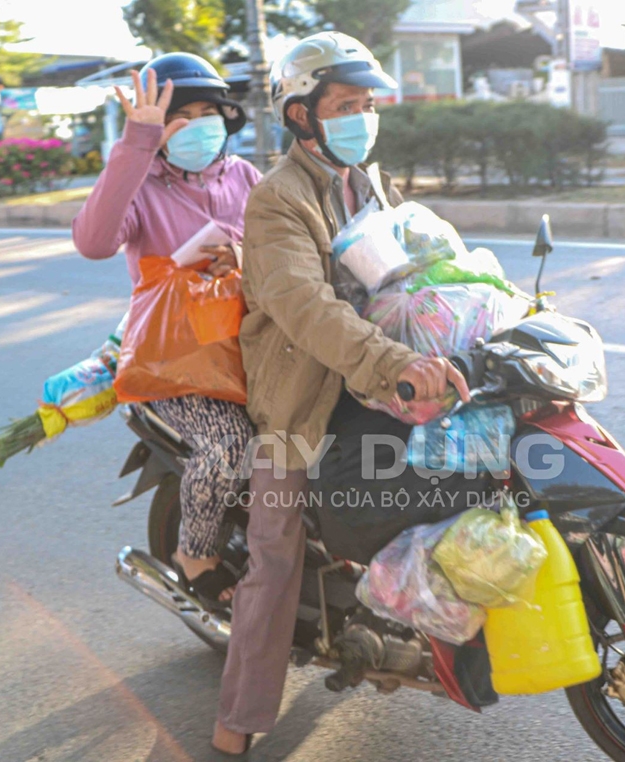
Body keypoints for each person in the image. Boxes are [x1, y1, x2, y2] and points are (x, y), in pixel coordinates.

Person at [212, 32, 469, 755]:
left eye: (368, 104)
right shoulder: (278, 200)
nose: (363, 117)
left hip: (372, 377)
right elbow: (306, 308)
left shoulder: (366, 178)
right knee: (276, 556)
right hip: (303, 397)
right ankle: (238, 720)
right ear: (301, 116)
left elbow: (413, 271)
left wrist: (483, 308)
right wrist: (394, 365)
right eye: (345, 105)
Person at [72, 53, 261, 608]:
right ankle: (195, 551)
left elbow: (285, 247)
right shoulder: (143, 183)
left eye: (209, 112)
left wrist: (242, 254)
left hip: (251, 347)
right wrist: (138, 144)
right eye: (182, 116)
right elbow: (94, 242)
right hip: (178, 363)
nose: (199, 124)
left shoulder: (245, 175)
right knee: (230, 444)